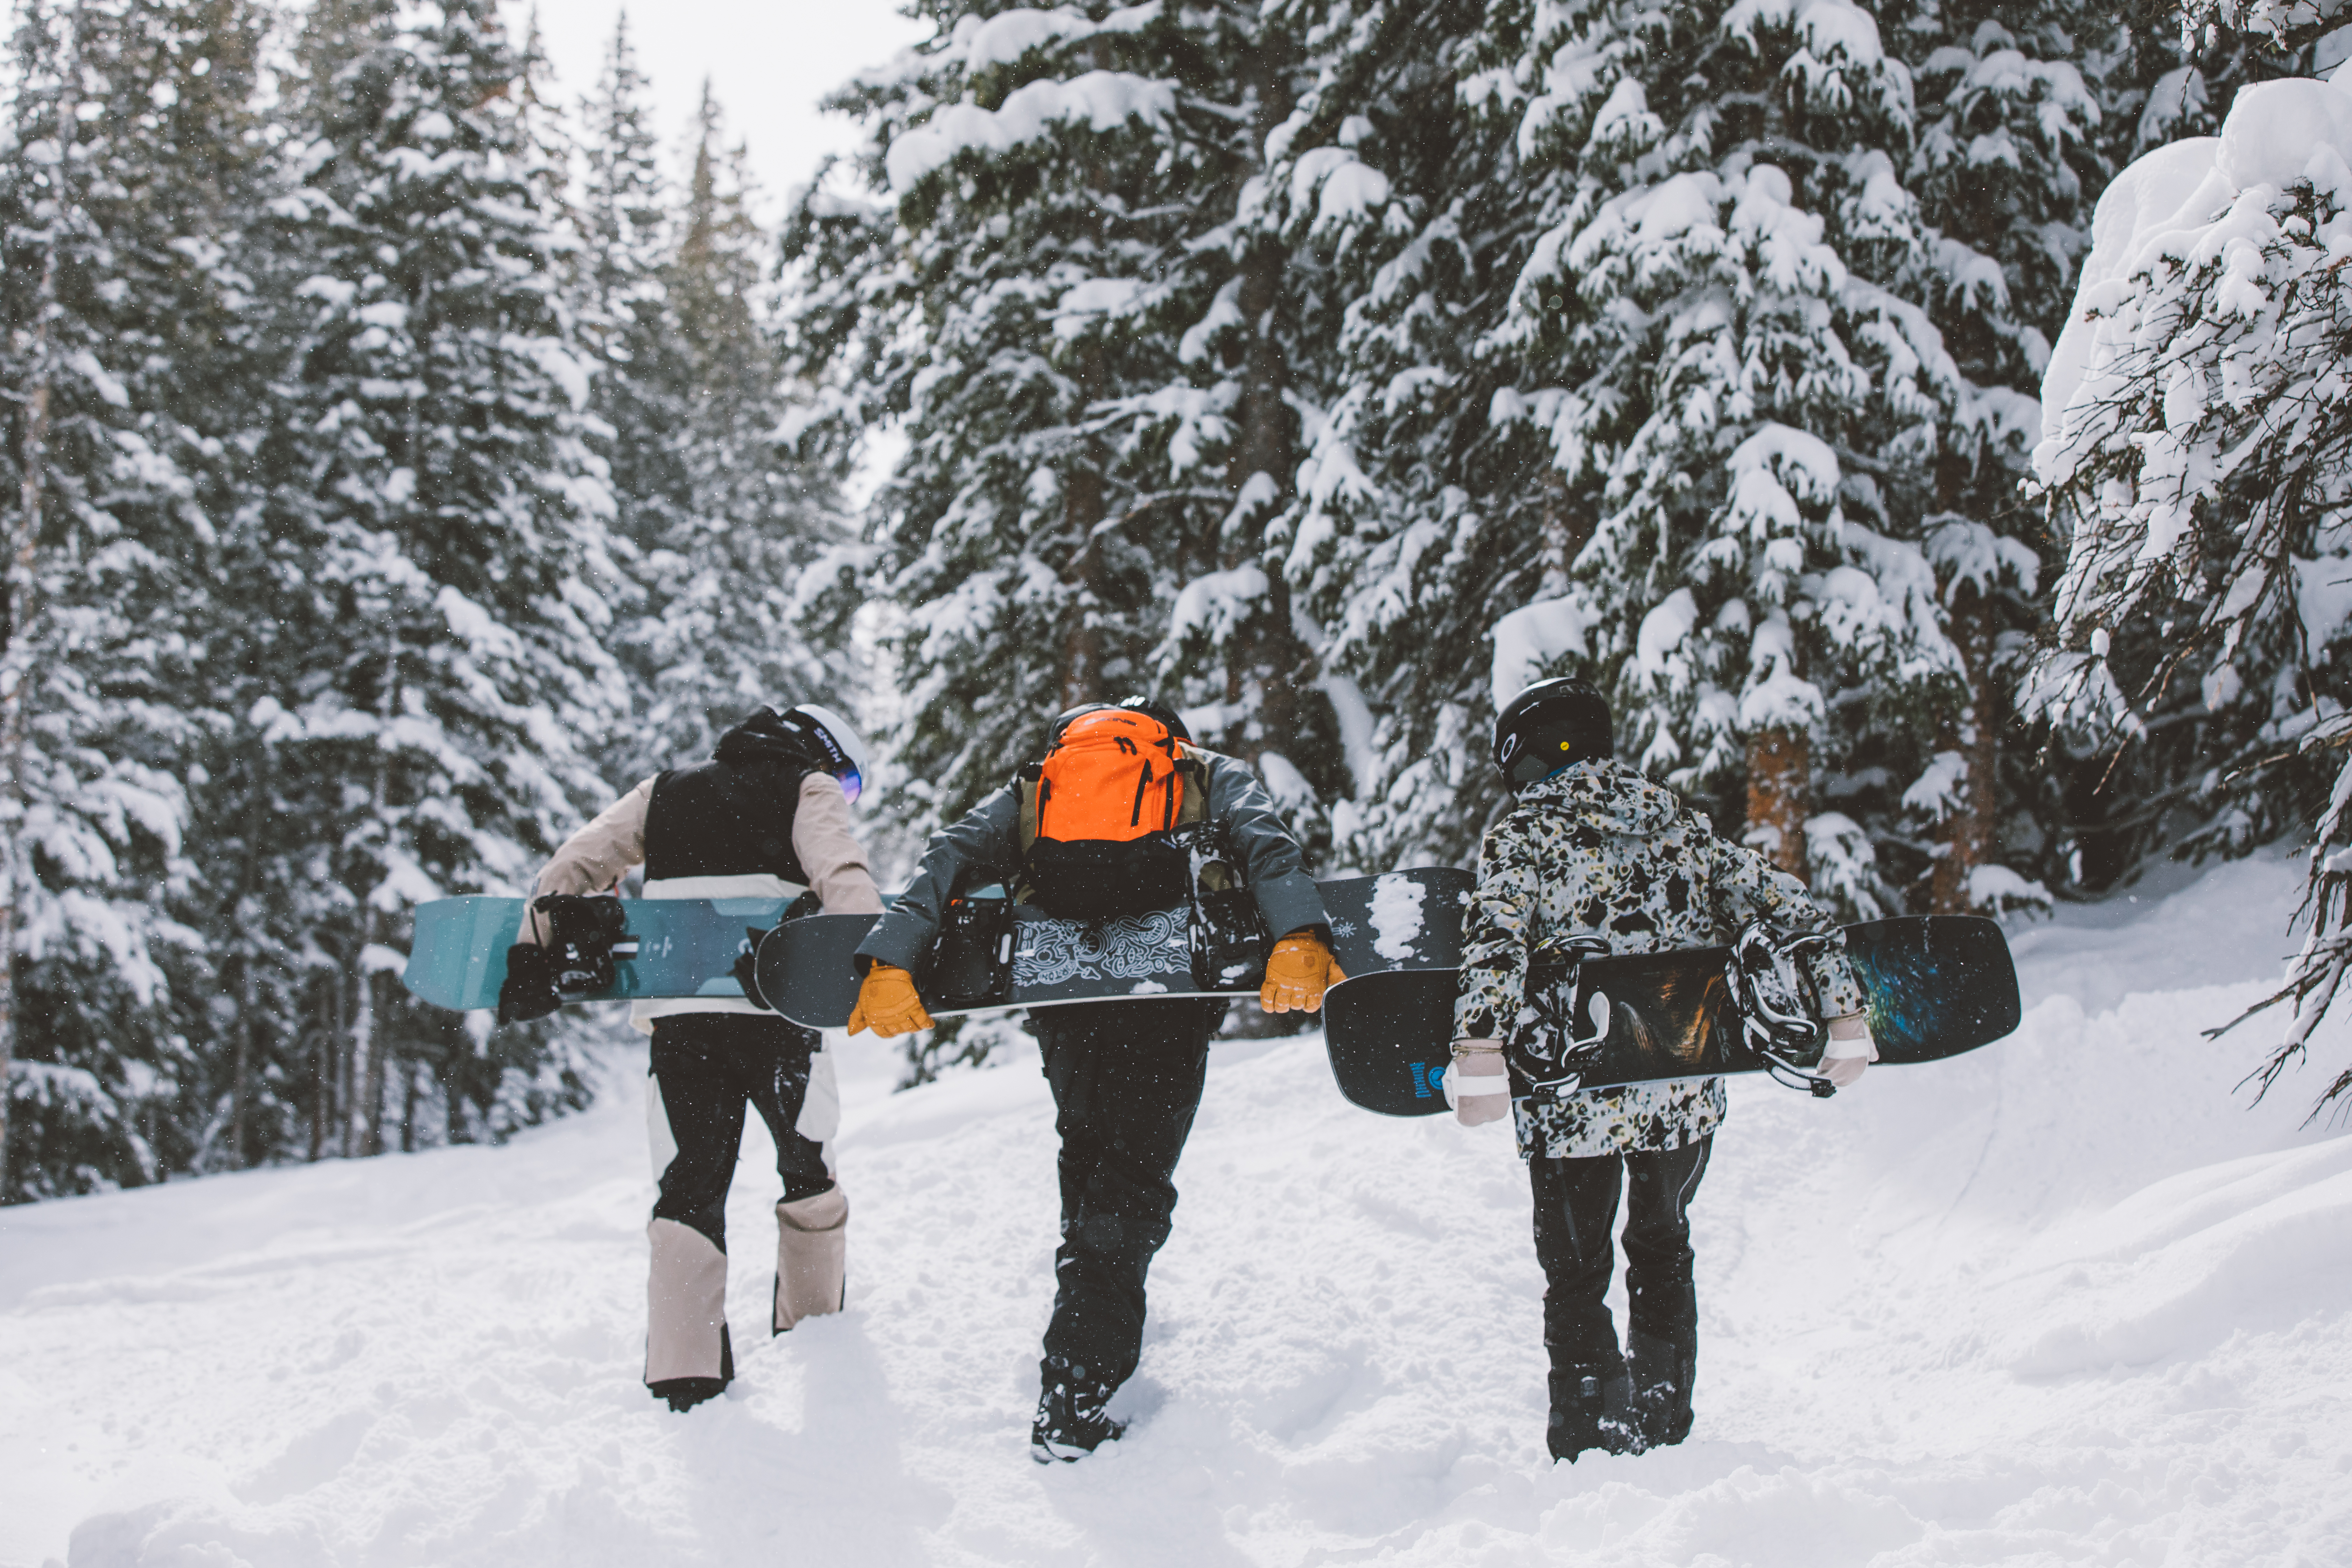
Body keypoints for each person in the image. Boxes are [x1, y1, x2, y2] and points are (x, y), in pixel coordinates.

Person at [844, 696, 1344, 1462]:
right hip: (1165, 989)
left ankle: (1086, 1310)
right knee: (1134, 1177)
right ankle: (1076, 1390)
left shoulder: (1040, 782)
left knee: (1089, 1153)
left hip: (1064, 992)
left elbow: (951, 852)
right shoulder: (1200, 769)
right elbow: (1265, 845)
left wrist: (891, 955)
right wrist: (1300, 933)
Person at [1448, 678, 1876, 1460]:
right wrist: (1846, 1010)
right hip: (1679, 1093)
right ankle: (1663, 1414)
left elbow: (1497, 940)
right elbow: (1791, 907)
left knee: (1576, 1269)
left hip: (1568, 1094)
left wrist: (1479, 1047)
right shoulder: (1678, 826)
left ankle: (1591, 1433)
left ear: (1528, 753)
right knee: (1663, 1242)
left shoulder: (1526, 831)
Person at [520, 704, 884, 1412]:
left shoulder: (665, 790)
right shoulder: (805, 787)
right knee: (808, 1168)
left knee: (689, 1185)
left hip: (680, 1020)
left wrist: (537, 943)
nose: (840, 796)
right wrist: (875, 957)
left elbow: (573, 865)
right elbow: (841, 872)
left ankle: (685, 1376)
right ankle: (816, 1336)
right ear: (822, 753)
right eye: (847, 785)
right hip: (776, 1017)